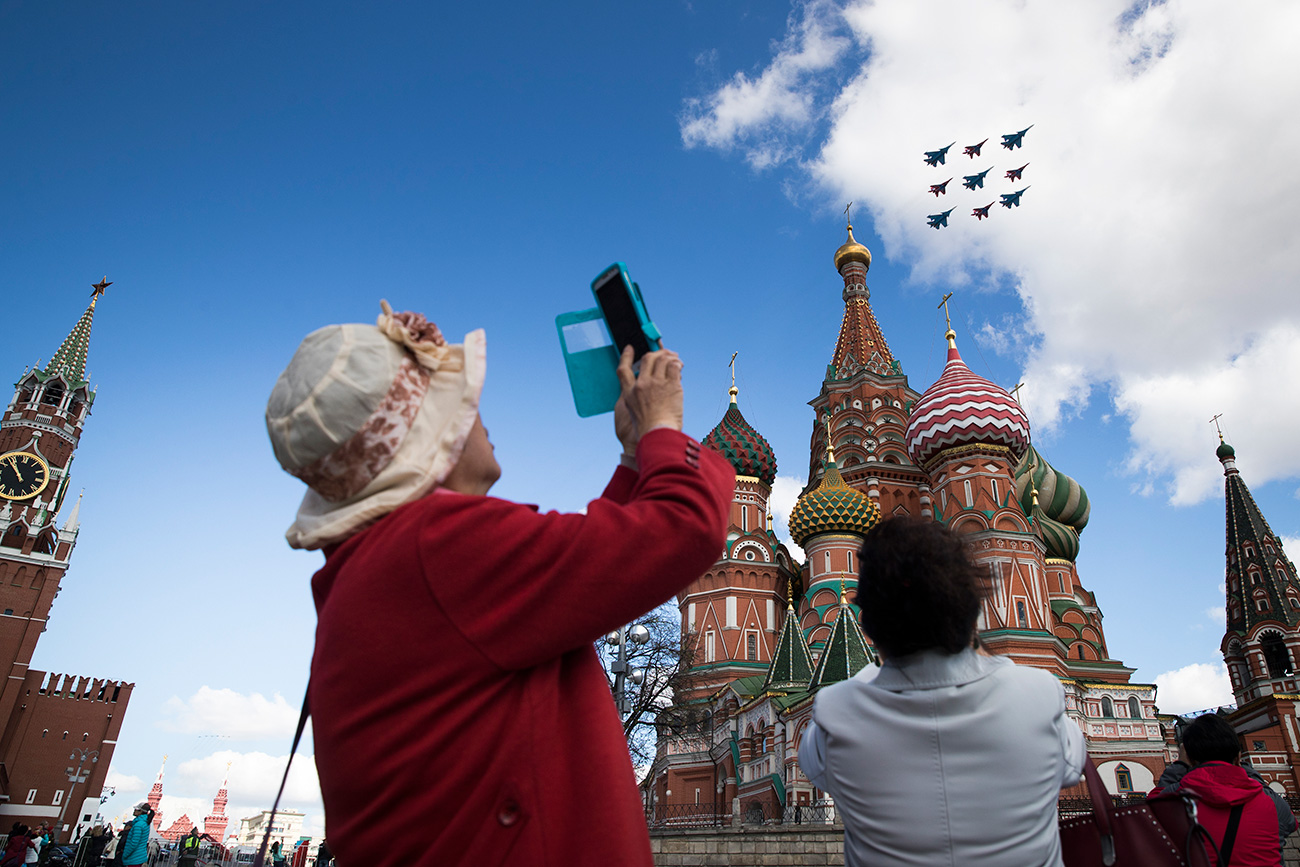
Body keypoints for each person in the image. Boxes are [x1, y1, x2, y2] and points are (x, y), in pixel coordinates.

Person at [265, 304, 733, 866]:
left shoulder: (382, 565)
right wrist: (662, 427)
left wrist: (636, 457)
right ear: (422, 441)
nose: (480, 416)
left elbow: (572, 584)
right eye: (458, 406)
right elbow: (679, 531)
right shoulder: (434, 547)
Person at [799, 516, 1087, 867]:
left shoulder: (836, 713)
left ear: (868, 623)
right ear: (971, 611)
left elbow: (815, 767)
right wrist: (973, 643)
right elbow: (1072, 766)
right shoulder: (1039, 696)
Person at [1152, 713, 1294, 865]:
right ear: (1238, 757)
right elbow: (1290, 824)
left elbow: (1150, 818)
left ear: (1190, 759)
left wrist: (1180, 765)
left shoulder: (1172, 799)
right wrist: (1242, 766)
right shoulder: (1268, 800)